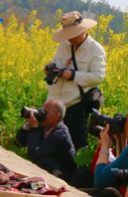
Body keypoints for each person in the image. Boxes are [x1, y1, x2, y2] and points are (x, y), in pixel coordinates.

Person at [47, 11, 107, 150]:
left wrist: (73, 76)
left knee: (75, 146)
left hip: (75, 106)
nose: (70, 39)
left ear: (83, 31)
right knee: (50, 144)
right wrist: (50, 68)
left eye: (72, 35)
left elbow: (98, 77)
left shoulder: (96, 50)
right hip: (55, 103)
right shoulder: (64, 45)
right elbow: (55, 62)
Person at [14, 99, 77, 178]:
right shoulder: (44, 125)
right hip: (49, 168)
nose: (41, 115)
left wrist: (34, 127)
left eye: (45, 112)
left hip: (64, 175)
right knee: (41, 161)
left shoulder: (60, 134)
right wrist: (29, 124)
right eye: (41, 110)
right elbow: (18, 142)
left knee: (41, 161)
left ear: (57, 116)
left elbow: (33, 154)